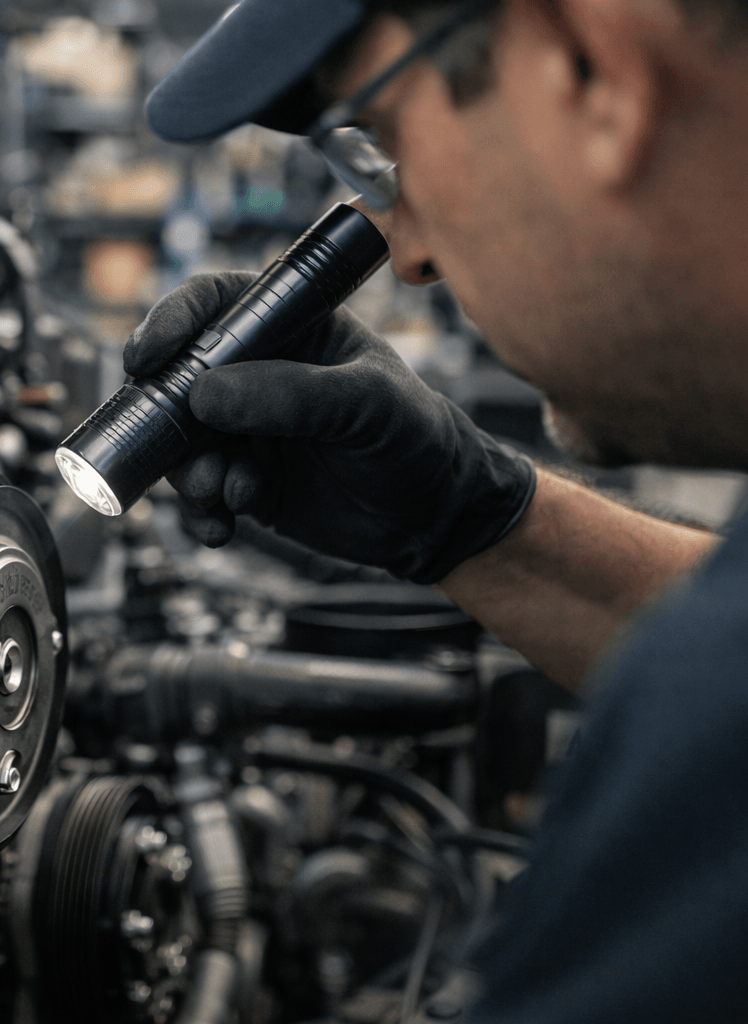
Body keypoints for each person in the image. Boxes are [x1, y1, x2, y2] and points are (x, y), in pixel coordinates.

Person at [127, 0, 748, 1018]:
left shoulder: (714, 727)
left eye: (383, 140)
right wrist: (477, 517)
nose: (407, 250)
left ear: (588, 64)